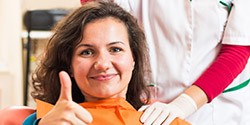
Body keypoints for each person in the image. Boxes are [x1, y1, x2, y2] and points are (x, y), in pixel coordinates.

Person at [79, 0, 250, 125]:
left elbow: (237, 50)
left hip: (216, 109)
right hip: (142, 106)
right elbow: (99, 18)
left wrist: (183, 105)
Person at [22, 1, 190, 125]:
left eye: (115, 49)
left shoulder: (167, 122)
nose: (102, 64)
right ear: (69, 66)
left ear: (134, 59)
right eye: (86, 52)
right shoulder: (44, 120)